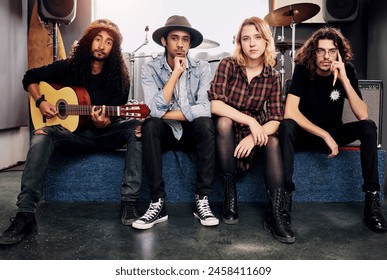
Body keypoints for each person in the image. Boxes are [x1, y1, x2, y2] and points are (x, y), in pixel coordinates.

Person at [0, 19, 143, 245]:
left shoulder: (120, 78)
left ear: (113, 49)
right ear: (89, 41)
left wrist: (104, 122)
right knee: (42, 134)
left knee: (137, 128)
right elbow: (30, 78)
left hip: (104, 135)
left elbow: (117, 114)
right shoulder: (68, 67)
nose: (101, 45)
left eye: (108, 42)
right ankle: (25, 214)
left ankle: (129, 202)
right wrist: (41, 102)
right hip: (73, 136)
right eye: (98, 39)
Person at [278, 26, 387, 233]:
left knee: (368, 127)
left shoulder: (347, 70)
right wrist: (324, 134)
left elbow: (363, 114)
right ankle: (284, 200)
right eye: (321, 51)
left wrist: (345, 79)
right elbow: (290, 112)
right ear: (314, 52)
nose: (326, 56)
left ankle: (372, 202)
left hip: (335, 134)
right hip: (307, 135)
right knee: (286, 126)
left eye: (332, 51)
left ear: (338, 52)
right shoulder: (303, 68)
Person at [208, 17, 294, 244]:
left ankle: (275, 214)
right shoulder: (228, 64)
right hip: (229, 130)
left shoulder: (273, 76)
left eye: (257, 38)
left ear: (266, 41)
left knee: (274, 141)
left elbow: (275, 119)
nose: (252, 44)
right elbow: (215, 105)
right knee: (224, 121)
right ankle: (230, 196)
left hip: (253, 133)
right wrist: (250, 122)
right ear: (240, 43)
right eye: (246, 38)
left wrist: (254, 137)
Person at [132, 15, 219, 230]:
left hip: (191, 132)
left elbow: (204, 108)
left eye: (185, 39)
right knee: (150, 126)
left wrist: (162, 113)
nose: (180, 44)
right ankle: (157, 203)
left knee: (206, 124)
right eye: (174, 38)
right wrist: (175, 74)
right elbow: (153, 112)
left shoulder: (202, 68)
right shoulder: (150, 69)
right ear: (164, 41)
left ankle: (202, 199)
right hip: (167, 133)